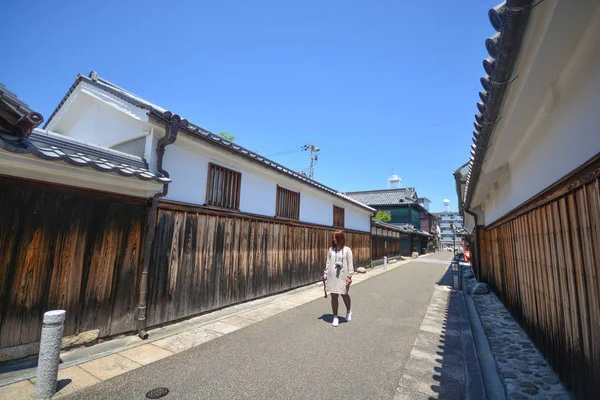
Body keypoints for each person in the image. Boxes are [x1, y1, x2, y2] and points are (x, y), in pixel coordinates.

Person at [323, 230, 354, 327]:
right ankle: (335, 317)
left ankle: (348, 311)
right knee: (334, 296)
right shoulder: (331, 249)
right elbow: (328, 262)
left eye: (335, 238)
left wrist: (349, 276)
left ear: (340, 238)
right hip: (332, 275)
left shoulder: (347, 250)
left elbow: (350, 264)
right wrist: (325, 274)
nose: (333, 240)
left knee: (344, 294)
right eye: (333, 238)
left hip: (343, 275)